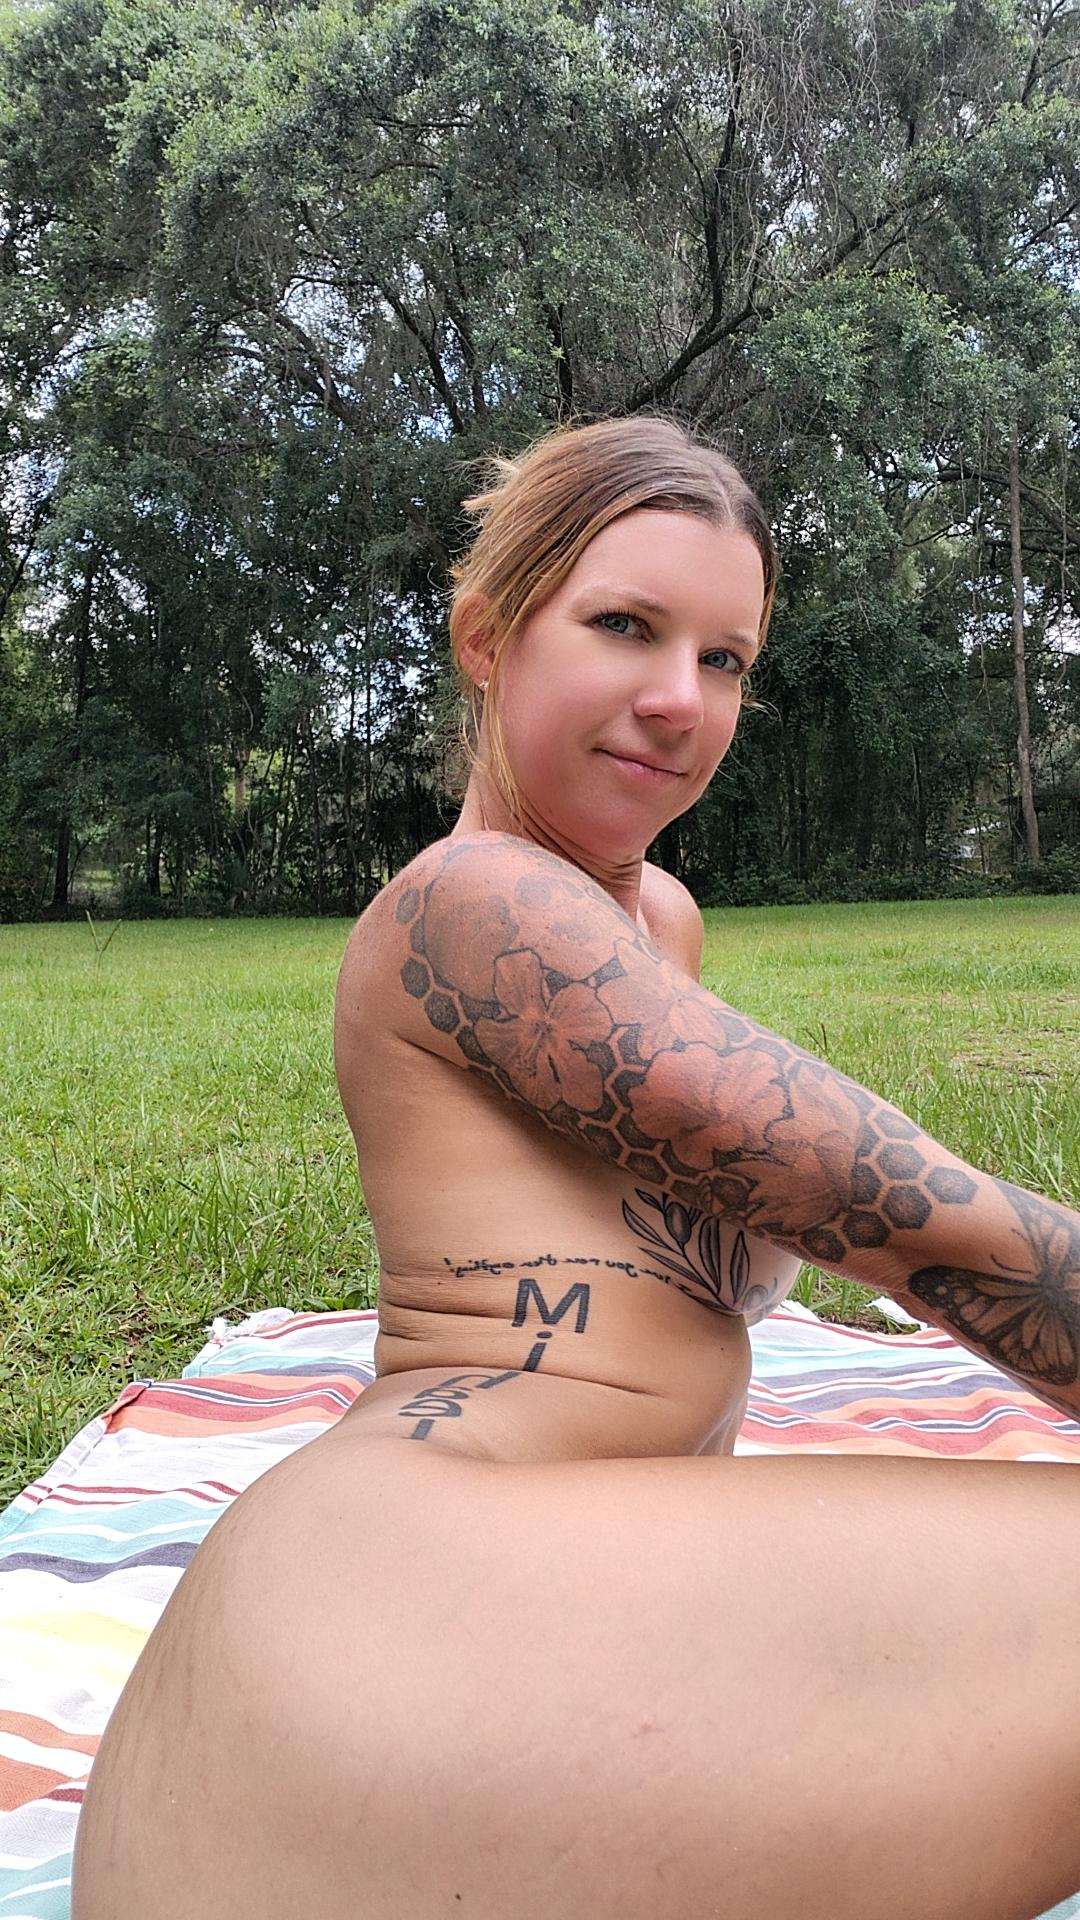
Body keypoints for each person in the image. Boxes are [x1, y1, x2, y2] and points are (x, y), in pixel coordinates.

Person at [73, 416, 1080, 1920]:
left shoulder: (654, 920)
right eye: (623, 626)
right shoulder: (472, 898)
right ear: (488, 640)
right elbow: (915, 1218)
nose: (680, 698)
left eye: (724, 658)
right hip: (412, 1592)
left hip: (526, 1596)